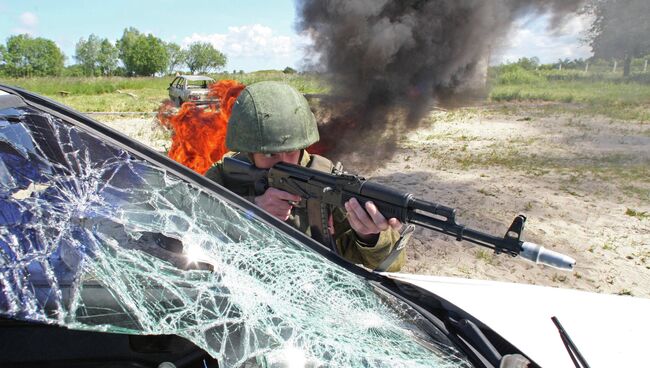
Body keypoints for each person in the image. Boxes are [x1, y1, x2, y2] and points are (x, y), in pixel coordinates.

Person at [205, 81, 405, 272]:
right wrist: (251, 209)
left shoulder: (325, 179)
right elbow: (188, 218)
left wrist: (369, 236)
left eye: (292, 151)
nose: (284, 162)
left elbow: (391, 265)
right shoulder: (224, 174)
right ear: (249, 151)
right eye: (269, 154)